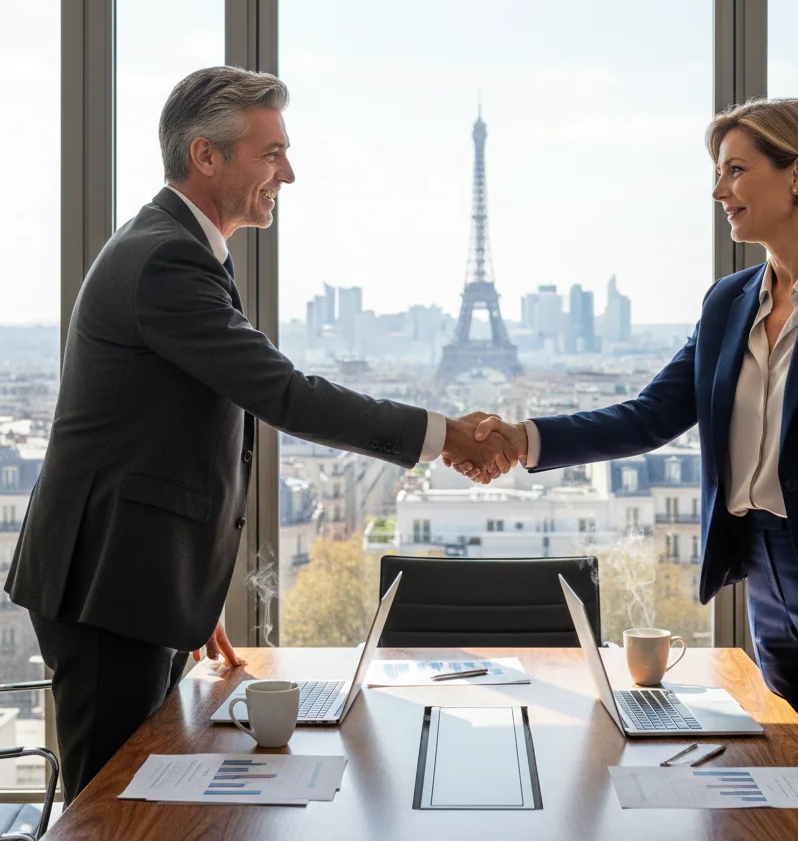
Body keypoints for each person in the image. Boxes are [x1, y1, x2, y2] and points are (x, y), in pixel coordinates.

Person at [4, 66, 517, 803]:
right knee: (112, 806)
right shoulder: (166, 260)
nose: (291, 173)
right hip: (105, 586)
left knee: (137, 793)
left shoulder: (178, 246)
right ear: (206, 156)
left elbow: (157, 436)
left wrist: (186, 583)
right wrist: (448, 437)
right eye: (271, 153)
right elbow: (281, 393)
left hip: (129, 578)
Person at [463, 98, 798, 822]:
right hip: (762, 578)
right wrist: (524, 438)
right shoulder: (729, 302)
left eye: (734, 170)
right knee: (783, 787)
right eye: (717, 172)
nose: (718, 190)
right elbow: (652, 413)